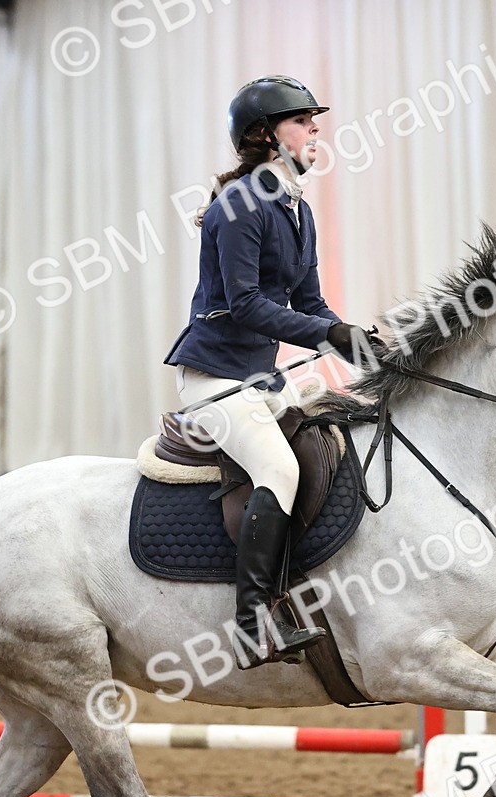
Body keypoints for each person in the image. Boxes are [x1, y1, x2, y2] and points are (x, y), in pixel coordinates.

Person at [164, 75, 367, 669]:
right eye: (302, 121)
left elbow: (309, 302)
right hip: (215, 377)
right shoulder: (239, 206)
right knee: (277, 466)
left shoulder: (295, 208)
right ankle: (252, 622)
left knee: (330, 438)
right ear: (265, 135)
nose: (315, 130)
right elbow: (247, 303)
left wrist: (360, 343)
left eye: (313, 121)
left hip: (258, 378)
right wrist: (327, 335)